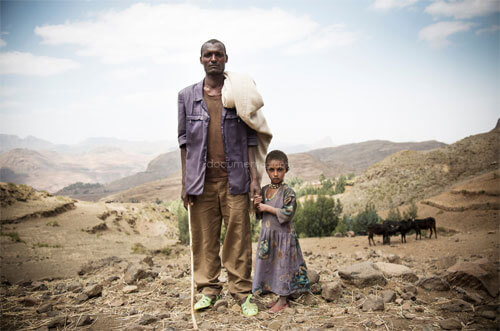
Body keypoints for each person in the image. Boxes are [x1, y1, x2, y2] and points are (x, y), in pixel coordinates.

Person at [177, 39, 260, 316]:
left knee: (238, 238)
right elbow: (184, 143)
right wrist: (185, 181)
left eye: (218, 54)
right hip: (201, 182)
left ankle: (241, 292)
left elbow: (251, 138)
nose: (213, 59)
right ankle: (208, 290)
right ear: (200, 59)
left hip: (235, 179)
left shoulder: (239, 93)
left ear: (226, 59)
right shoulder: (187, 96)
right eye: (208, 55)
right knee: (204, 238)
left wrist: (255, 180)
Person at [252, 150, 310, 313]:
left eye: (280, 169)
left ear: (286, 170)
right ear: (266, 170)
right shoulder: (263, 190)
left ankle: (284, 300)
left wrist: (266, 207)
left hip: (284, 237)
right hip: (268, 236)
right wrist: (256, 205)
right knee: (271, 266)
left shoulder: (288, 192)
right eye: (271, 170)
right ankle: (277, 295)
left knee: (283, 267)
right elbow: (258, 215)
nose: (275, 174)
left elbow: (287, 213)